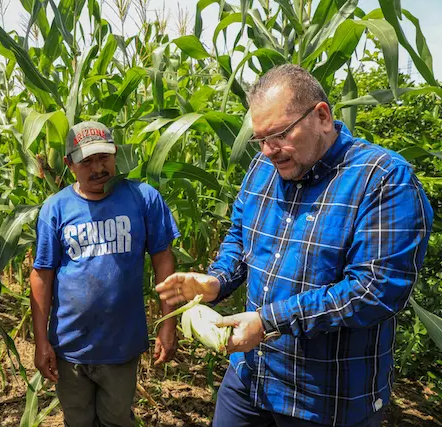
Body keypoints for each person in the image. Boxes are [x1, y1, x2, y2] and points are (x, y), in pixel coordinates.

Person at [156, 64, 433, 427]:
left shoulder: (382, 180)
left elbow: (375, 291)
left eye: (280, 134)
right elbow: (241, 238)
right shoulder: (263, 168)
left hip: (326, 398)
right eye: (260, 139)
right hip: (250, 379)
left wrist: (269, 321)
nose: (269, 150)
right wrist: (217, 281)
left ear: (322, 116)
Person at [30, 121, 180, 426]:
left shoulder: (143, 198)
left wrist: (168, 324)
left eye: (104, 158)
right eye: (87, 161)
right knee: (78, 420)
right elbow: (42, 275)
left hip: (121, 345)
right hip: (69, 347)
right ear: (69, 164)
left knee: (117, 419)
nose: (98, 168)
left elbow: (164, 260)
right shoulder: (55, 209)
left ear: (115, 155)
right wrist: (40, 340)